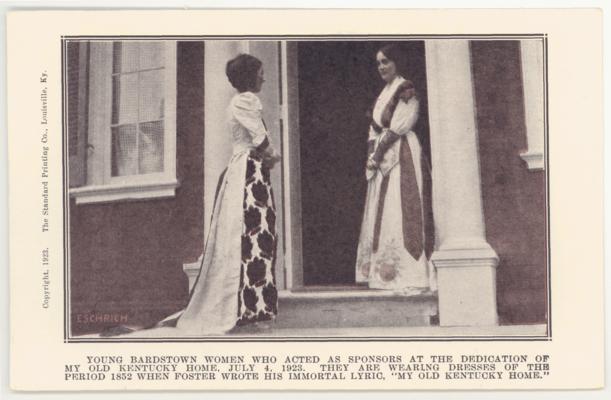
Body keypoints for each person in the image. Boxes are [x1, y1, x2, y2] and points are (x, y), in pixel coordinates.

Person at [174, 53, 281, 334]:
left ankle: (250, 308)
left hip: (245, 169)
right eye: (260, 72)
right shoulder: (246, 100)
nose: (264, 77)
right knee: (253, 235)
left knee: (248, 236)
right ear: (249, 76)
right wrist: (273, 155)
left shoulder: (237, 101)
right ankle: (249, 310)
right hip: (249, 171)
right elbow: (260, 139)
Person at [355, 44, 435, 294]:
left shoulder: (405, 88)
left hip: (402, 152)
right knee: (384, 209)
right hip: (382, 157)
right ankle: (383, 276)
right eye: (379, 63)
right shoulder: (383, 93)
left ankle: (409, 274)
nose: (382, 67)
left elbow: (400, 124)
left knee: (402, 207)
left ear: (397, 63)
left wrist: (376, 155)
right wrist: (372, 155)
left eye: (386, 62)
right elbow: (374, 128)